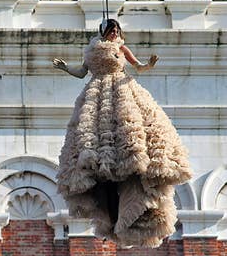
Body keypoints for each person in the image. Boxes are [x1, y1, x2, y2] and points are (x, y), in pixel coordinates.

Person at [53, 19, 192, 248]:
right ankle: (111, 203)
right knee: (95, 138)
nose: (115, 33)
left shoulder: (121, 48)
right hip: (97, 97)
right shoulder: (91, 51)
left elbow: (136, 67)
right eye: (112, 30)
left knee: (130, 133)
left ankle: (133, 192)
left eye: (117, 30)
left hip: (122, 92)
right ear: (104, 32)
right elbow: (81, 72)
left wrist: (148, 64)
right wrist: (65, 67)